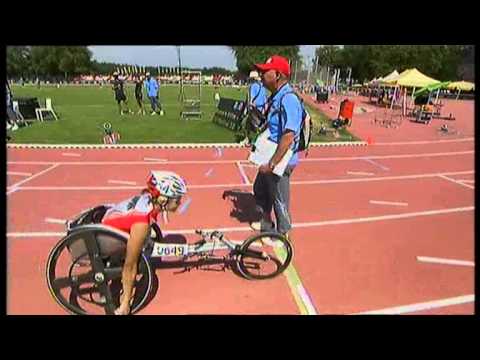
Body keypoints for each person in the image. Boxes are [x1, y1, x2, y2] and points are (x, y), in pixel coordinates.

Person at [100, 171, 187, 315]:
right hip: (106, 241)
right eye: (177, 199)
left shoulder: (148, 199)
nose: (180, 202)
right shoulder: (142, 222)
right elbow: (130, 266)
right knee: (132, 261)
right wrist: (126, 303)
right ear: (163, 199)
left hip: (111, 226)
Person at [249, 55, 303, 241]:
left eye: (266, 71)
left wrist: (272, 164)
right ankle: (266, 223)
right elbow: (272, 126)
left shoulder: (289, 99)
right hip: (271, 152)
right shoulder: (277, 96)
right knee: (260, 189)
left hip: (282, 158)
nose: (262, 74)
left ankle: (282, 235)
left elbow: (288, 136)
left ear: (278, 75)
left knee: (279, 199)